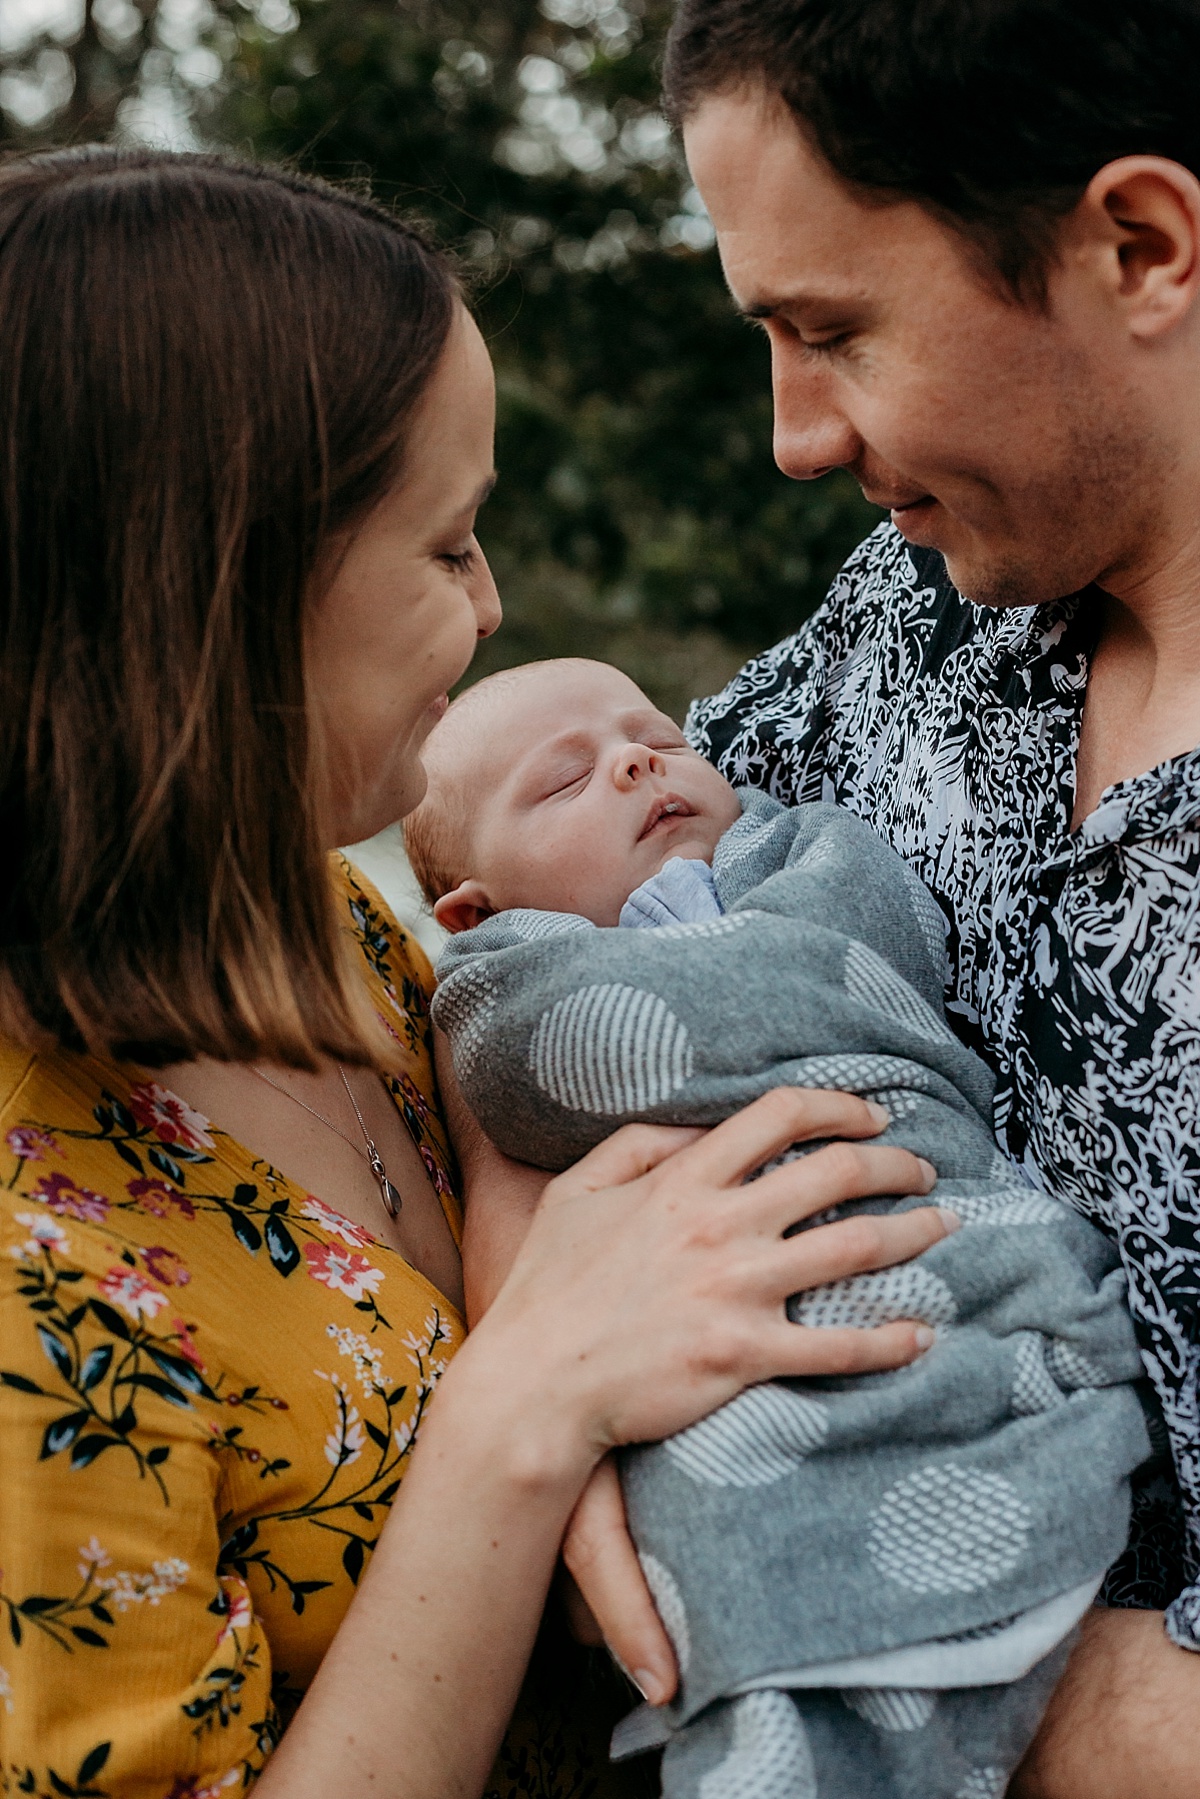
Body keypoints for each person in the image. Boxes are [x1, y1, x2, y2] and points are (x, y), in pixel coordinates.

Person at [0, 146, 958, 1799]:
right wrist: (521, 1421)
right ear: (223, 592)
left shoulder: (339, 930)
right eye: (445, 547)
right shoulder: (35, 1289)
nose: (494, 597)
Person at [643, 1, 1200, 1794]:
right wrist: (559, 1376)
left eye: (835, 334)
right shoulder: (919, 612)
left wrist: (982, 1669)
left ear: (1143, 246)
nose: (798, 436)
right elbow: (598, 934)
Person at [406, 654, 1149, 1799]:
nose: (637, 758)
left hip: (954, 1253)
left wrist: (725, 951)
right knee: (729, 1521)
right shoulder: (509, 974)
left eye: (651, 731)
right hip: (744, 1398)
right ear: (476, 910)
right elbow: (521, 1049)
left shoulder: (801, 849)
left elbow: (884, 928)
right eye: (565, 785)